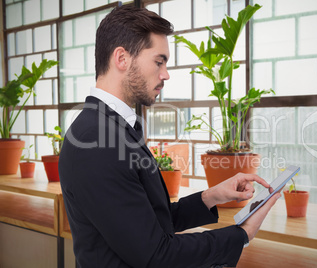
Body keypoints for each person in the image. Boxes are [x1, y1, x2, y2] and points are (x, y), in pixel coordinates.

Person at [59, 4, 280, 268]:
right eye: (159, 61)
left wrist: (212, 195)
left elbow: (149, 221)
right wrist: (242, 234)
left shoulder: (112, 127)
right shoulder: (95, 140)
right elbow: (155, 254)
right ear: (121, 58)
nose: (165, 74)